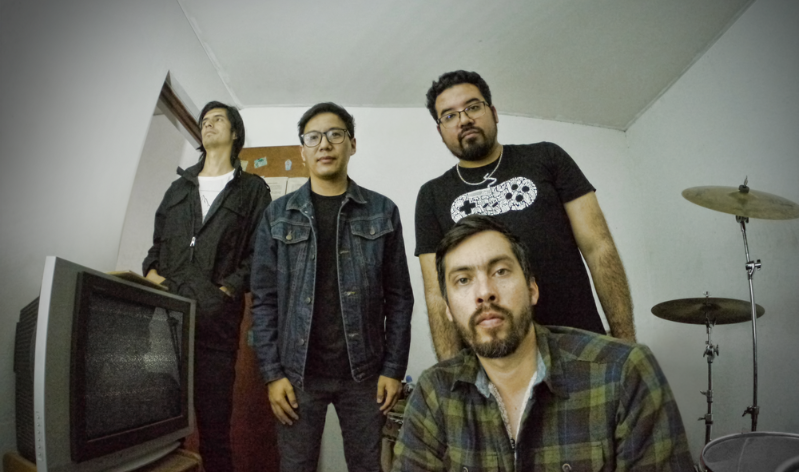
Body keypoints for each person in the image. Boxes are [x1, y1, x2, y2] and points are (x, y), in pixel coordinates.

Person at [392, 215, 693, 471]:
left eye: (500, 271)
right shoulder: (434, 394)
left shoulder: (623, 373)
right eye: (463, 280)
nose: (484, 292)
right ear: (448, 309)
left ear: (532, 289)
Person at [416, 70, 635, 360]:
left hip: (578, 345)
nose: (464, 119)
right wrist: (450, 373)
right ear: (440, 131)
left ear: (493, 112)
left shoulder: (547, 158)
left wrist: (626, 346)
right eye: (449, 115)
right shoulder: (431, 195)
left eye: (473, 107)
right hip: (494, 359)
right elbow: (437, 293)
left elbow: (599, 248)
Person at [250, 102, 414, 472]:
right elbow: (263, 301)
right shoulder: (277, 215)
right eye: (313, 137)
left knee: (367, 466)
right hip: (297, 373)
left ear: (352, 144)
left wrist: (393, 369)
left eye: (335, 134)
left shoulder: (382, 211)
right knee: (296, 466)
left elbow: (400, 298)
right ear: (302, 151)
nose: (324, 144)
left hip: (365, 374)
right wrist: (273, 375)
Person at [143, 101, 272, 472]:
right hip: (166, 324)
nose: (208, 124)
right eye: (204, 121)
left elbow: (260, 254)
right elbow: (154, 250)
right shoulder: (176, 190)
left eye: (218, 119)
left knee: (215, 433)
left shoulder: (252, 190)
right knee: (162, 433)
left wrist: (225, 291)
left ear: (235, 132)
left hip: (216, 328)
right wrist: (155, 278)